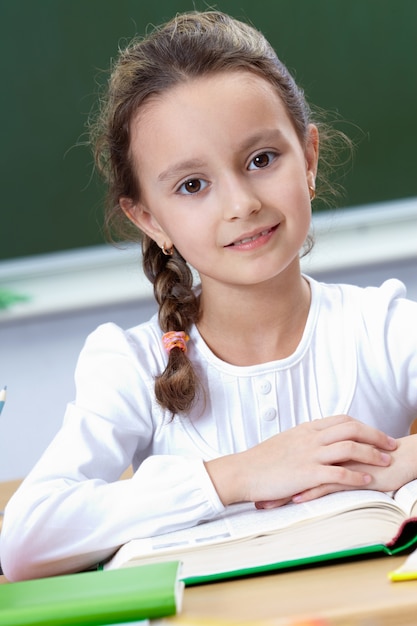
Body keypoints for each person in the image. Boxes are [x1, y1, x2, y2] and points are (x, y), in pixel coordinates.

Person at [1, 10, 416, 582]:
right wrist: (240, 475)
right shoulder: (130, 365)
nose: (241, 203)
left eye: (262, 159)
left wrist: (388, 465)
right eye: (192, 185)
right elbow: (26, 541)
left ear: (309, 157)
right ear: (150, 218)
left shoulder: (385, 328)